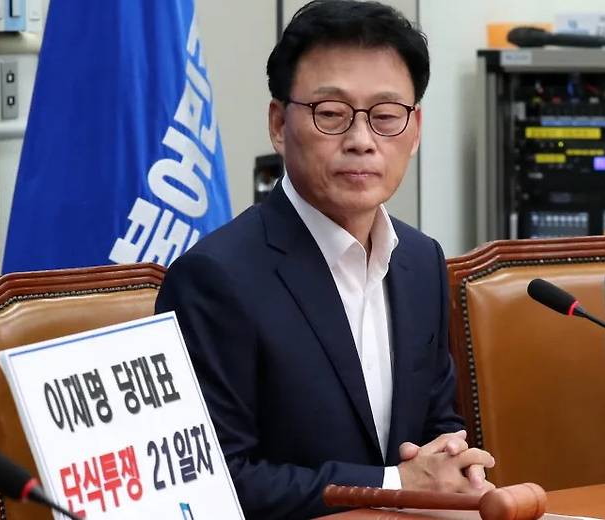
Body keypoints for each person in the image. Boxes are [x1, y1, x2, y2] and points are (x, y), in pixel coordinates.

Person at [155, 1, 495, 518]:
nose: (361, 141)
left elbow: (436, 425)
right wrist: (395, 483)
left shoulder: (421, 261)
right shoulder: (215, 278)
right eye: (331, 114)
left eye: (385, 117)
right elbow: (215, 478)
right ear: (277, 122)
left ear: (416, 128)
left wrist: (456, 467)